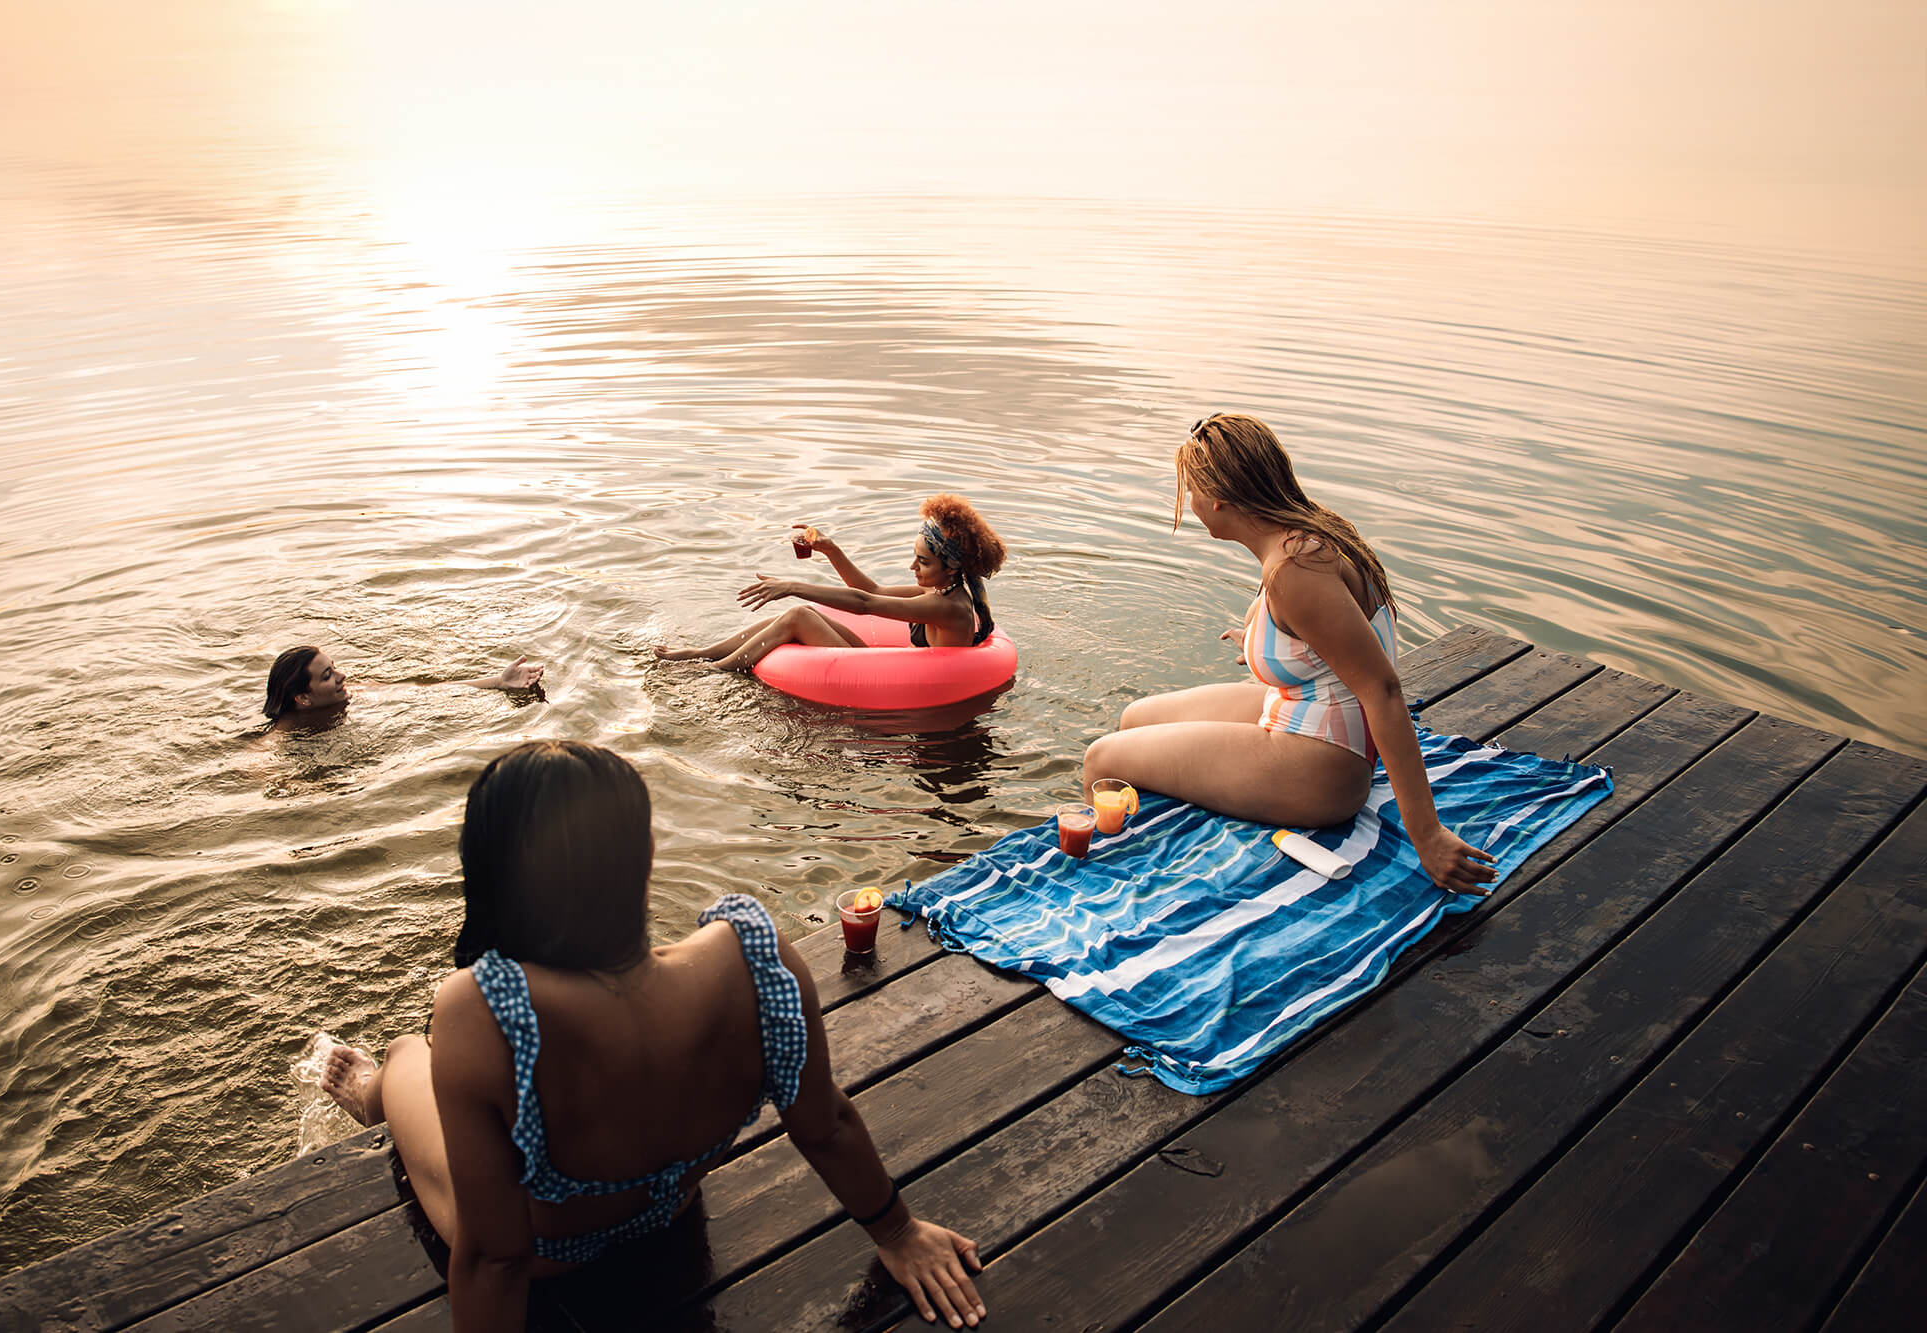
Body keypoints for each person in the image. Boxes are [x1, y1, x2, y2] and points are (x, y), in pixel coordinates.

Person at [318, 741, 986, 1330]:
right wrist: (898, 1230)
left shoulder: (481, 1008)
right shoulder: (754, 956)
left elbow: (497, 1257)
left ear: (492, 876)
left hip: (552, 1252)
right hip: (670, 1208)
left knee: (410, 1052)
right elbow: (827, 1124)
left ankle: (375, 1091)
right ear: (647, 854)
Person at [1081, 413, 1496, 893]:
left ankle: (1109, 884)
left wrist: (1428, 834)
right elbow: (1324, 637)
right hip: (1303, 715)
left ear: (1218, 497)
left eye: (1191, 491)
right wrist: (1260, 643)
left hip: (1325, 765)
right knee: (1135, 718)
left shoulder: (1296, 569)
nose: (1190, 504)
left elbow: (1383, 690)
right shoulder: (1310, 532)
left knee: (1102, 761)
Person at [652, 493, 1006, 671]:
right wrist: (831, 549)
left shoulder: (948, 606)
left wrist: (792, 586)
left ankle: (714, 671)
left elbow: (865, 605)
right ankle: (700, 654)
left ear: (952, 567)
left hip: (904, 683)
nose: (912, 566)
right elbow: (873, 591)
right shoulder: (941, 588)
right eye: (915, 556)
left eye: (923, 562)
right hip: (898, 667)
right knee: (805, 614)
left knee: (799, 615)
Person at [263, 646, 544, 724]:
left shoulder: (355, 693)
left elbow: (428, 692)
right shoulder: (285, 734)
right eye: (327, 676)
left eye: (334, 667)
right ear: (303, 699)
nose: (342, 676)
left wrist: (499, 682)